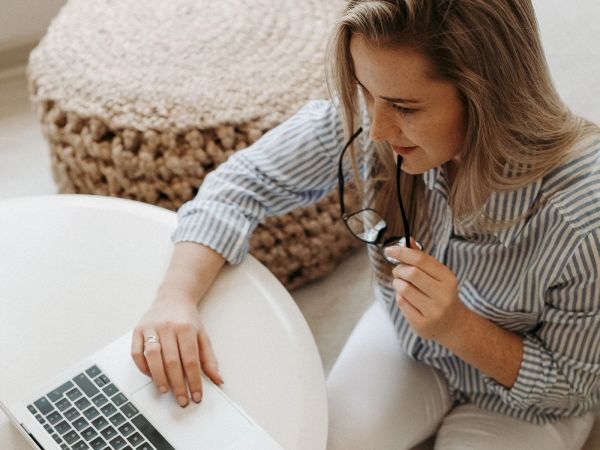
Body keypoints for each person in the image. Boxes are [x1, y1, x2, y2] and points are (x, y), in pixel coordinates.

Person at [131, 1, 600, 448]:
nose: (376, 129)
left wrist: (457, 326)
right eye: (366, 92)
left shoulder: (584, 218)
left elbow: (577, 386)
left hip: (528, 406)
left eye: (404, 107)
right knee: (316, 440)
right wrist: (175, 297)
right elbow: (242, 183)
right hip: (406, 342)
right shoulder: (371, 120)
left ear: (488, 94)